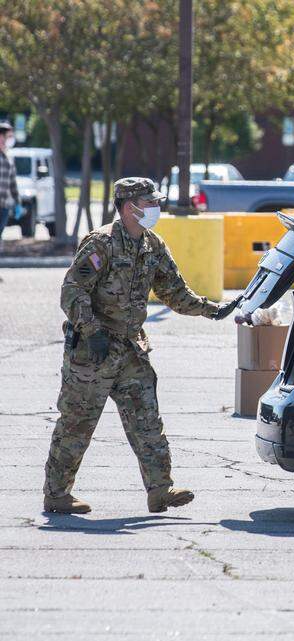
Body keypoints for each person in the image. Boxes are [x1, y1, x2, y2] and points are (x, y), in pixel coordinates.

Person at [43, 178, 234, 514]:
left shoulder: (152, 245)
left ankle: (161, 490)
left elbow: (174, 291)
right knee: (77, 422)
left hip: (131, 348)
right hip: (94, 350)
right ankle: (57, 494)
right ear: (129, 206)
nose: (155, 209)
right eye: (150, 202)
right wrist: (90, 329)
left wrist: (211, 309)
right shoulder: (101, 243)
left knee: (146, 420)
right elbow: (72, 291)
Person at [0, 121, 19, 252]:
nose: (10, 139)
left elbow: (12, 183)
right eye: (8, 136)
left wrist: (18, 203)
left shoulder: (8, 158)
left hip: (4, 205)